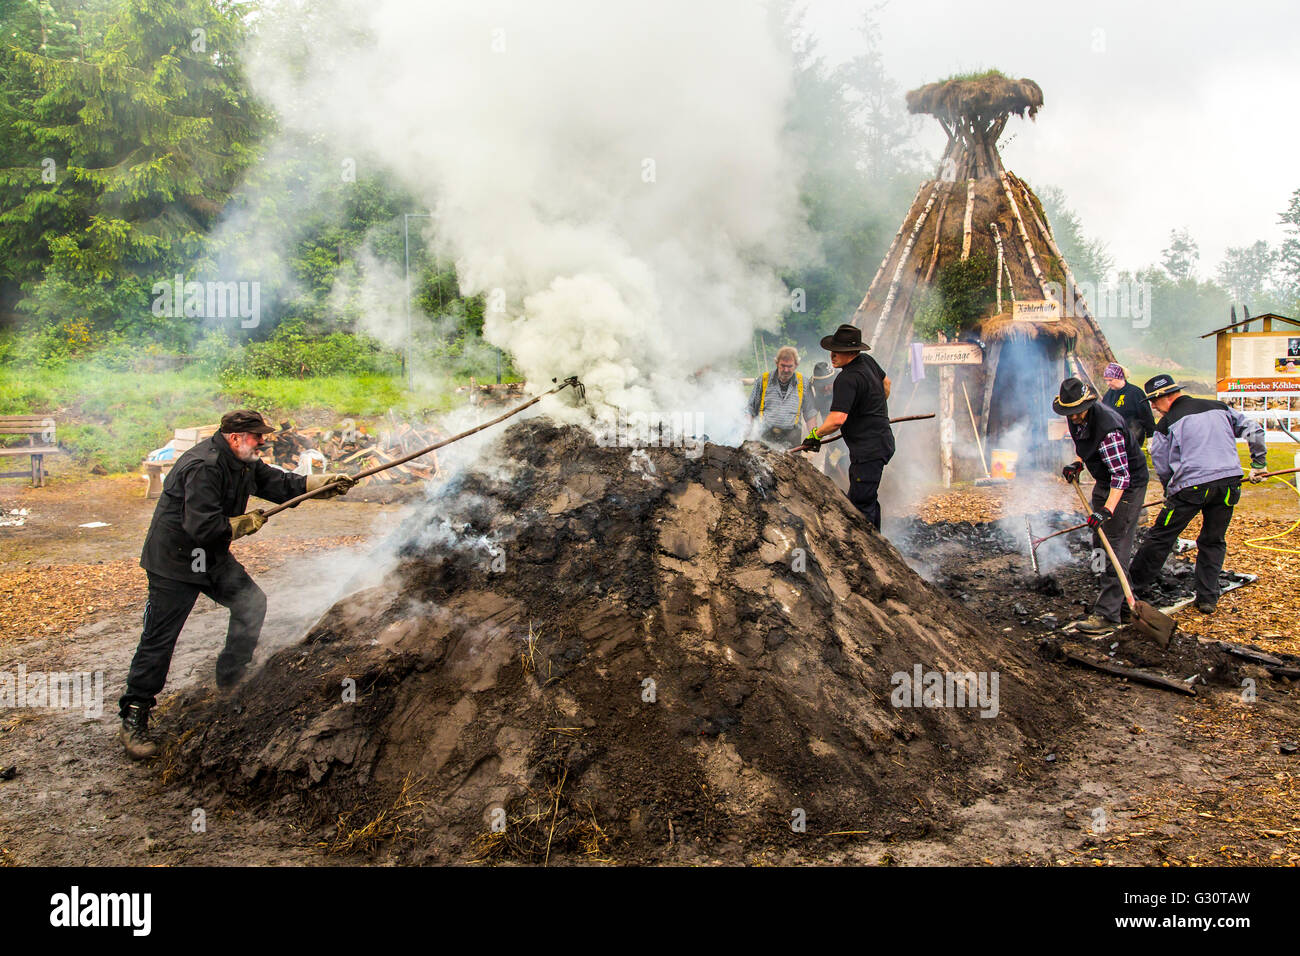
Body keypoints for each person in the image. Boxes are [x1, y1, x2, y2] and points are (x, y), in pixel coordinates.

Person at [118, 410, 355, 760]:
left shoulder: (243, 461)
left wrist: (320, 485)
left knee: (250, 603)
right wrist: (240, 525)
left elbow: (277, 483)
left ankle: (231, 678)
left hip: (210, 557)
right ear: (235, 437)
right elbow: (200, 527)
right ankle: (135, 714)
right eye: (257, 436)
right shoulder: (203, 466)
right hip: (174, 561)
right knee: (160, 638)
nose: (263, 441)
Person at [1128, 374, 1267, 615]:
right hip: (1228, 484)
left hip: (1190, 489)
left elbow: (1161, 463)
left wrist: (1168, 488)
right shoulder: (1219, 407)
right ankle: (1207, 599)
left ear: (1168, 397)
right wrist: (1258, 463)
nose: (1152, 406)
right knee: (1213, 540)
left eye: (1154, 400)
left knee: (1161, 537)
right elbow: (1254, 429)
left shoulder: (1166, 423)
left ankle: (1133, 589)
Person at [1053, 377, 1149, 636]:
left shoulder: (1109, 430)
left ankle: (1108, 615)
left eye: (1076, 412)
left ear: (1088, 404)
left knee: (1113, 544)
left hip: (1127, 485)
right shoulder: (1076, 417)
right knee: (1100, 541)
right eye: (1069, 413)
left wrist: (1106, 511)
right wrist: (1078, 463)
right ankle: (1126, 605)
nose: (1072, 418)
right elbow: (1083, 443)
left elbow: (1122, 476)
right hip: (1105, 480)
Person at [801, 324, 893, 530]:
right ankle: (880, 546)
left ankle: (871, 555)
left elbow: (837, 419)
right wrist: (874, 408)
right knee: (868, 498)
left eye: (838, 351)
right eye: (832, 350)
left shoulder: (846, 378)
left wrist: (815, 435)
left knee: (860, 506)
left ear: (852, 352)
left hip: (869, 450)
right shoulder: (867, 361)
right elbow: (886, 383)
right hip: (882, 441)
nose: (833, 355)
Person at [746, 346, 813, 448]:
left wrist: (814, 437)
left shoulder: (804, 383)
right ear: (776, 363)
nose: (786, 370)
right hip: (765, 437)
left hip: (792, 438)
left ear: (796, 365)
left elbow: (810, 413)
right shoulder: (763, 380)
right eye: (783, 365)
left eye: (790, 366)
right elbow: (751, 409)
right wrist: (748, 435)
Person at [1101, 362, 1156, 449]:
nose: (1108, 383)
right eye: (1106, 380)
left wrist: (1151, 439)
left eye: (1110, 380)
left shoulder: (1135, 393)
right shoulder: (1107, 396)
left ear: (1120, 378)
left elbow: (1147, 417)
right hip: (1112, 442)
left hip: (1133, 441)